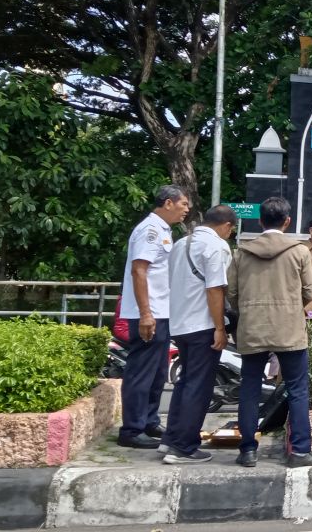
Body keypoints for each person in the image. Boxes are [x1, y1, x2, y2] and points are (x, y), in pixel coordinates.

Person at [227, 196, 312, 469]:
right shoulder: (299, 252)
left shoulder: (242, 252)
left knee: (249, 388)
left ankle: (248, 450)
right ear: (287, 222)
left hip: (253, 327)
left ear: (260, 221)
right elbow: (311, 292)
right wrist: (289, 308)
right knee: (297, 388)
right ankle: (299, 451)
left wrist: (250, 311)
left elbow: (232, 294)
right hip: (289, 328)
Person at [160, 204, 237, 464]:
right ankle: (184, 447)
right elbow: (215, 290)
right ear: (226, 226)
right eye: (232, 230)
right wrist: (219, 328)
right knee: (199, 387)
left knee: (183, 383)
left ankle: (171, 439)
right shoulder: (216, 247)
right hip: (202, 325)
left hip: (180, 324)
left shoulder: (181, 244)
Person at [116, 185, 191, 449]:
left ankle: (148, 421)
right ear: (168, 203)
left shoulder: (163, 230)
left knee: (158, 372)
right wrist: (146, 314)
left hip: (162, 311)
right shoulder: (149, 231)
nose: (186, 210)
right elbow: (139, 272)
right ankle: (131, 429)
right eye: (183, 204)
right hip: (148, 313)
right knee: (141, 372)